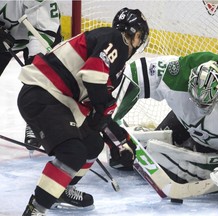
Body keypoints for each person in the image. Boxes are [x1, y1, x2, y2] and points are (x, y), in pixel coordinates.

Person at [17, 7, 149, 216]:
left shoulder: (110, 50)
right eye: (140, 37)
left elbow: (95, 107)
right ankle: (35, 209)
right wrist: (103, 108)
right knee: (73, 152)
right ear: (137, 35)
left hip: (59, 99)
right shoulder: (117, 40)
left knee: (92, 144)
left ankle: (61, 190)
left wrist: (118, 140)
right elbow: (93, 76)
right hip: (43, 93)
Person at [112, 52, 218, 203]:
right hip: (185, 122)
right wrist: (110, 109)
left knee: (176, 169)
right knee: (121, 158)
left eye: (205, 103)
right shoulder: (178, 71)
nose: (200, 107)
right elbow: (133, 74)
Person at [0, 0, 62, 149]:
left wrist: (35, 65)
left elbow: (43, 32)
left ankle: (35, 122)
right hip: (5, 33)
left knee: (38, 79)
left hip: (40, 32)